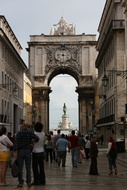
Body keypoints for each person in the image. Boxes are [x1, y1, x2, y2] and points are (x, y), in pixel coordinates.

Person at [15, 122, 39, 187]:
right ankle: (28, 182)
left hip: (21, 151)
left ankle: (20, 182)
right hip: (28, 150)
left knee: (20, 167)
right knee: (28, 167)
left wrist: (16, 152)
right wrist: (32, 144)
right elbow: (37, 138)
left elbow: (16, 143)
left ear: (22, 126)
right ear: (27, 126)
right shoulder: (30, 132)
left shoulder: (19, 133)